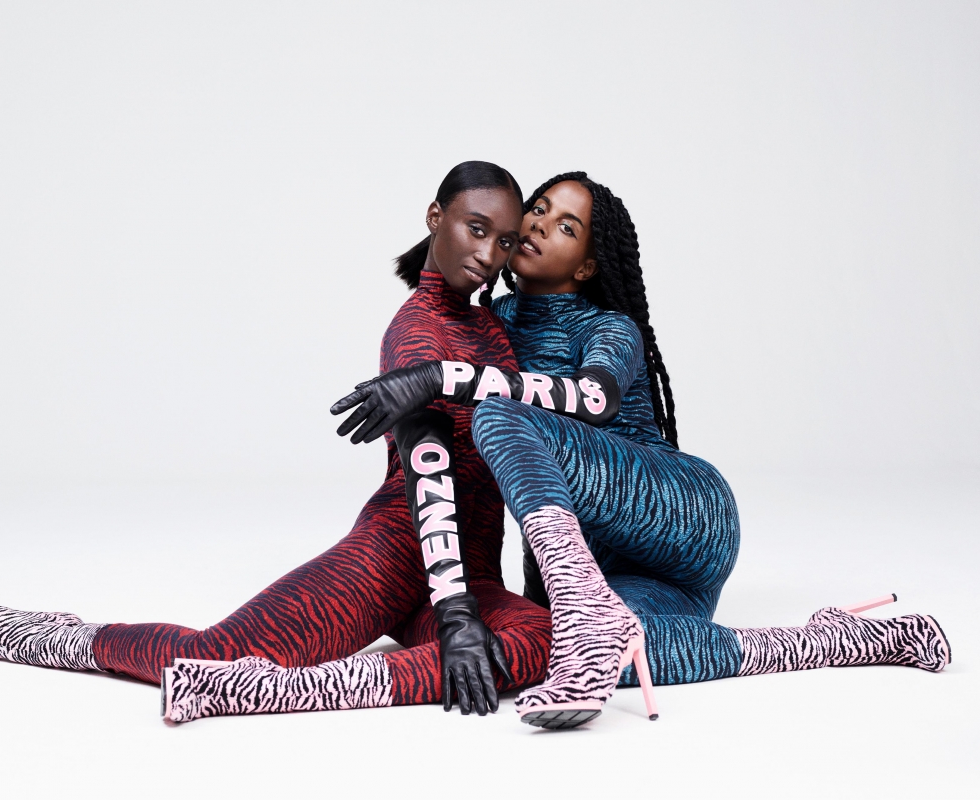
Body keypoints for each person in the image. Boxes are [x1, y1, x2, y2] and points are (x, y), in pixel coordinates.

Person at [332, 172, 952, 730]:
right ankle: (840, 642)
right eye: (539, 210)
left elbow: (593, 400)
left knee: (500, 413)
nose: (540, 226)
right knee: (595, 654)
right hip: (614, 578)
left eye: (566, 226)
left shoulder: (609, 328)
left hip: (684, 517)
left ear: (587, 267)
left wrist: (439, 376)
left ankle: (582, 605)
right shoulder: (491, 321)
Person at [0, 161, 558, 721]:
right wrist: (456, 617)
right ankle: (55, 637)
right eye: (476, 229)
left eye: (505, 241)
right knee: (214, 654)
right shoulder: (415, 332)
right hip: (394, 560)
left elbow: (565, 406)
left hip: (469, 574)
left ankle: (293, 688)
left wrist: (462, 603)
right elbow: (429, 468)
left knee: (550, 640)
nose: (488, 254)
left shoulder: (492, 328)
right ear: (435, 217)